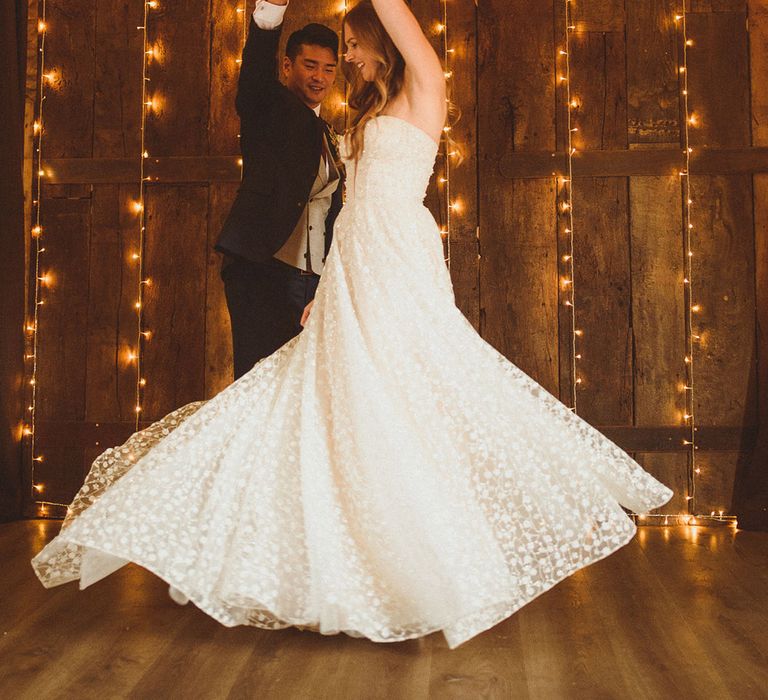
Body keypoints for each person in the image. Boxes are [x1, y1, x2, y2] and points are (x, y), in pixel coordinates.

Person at [31, 0, 672, 650]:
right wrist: (328, 291)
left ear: (379, 39)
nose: (351, 61)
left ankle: (445, 556)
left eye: (355, 47)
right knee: (337, 405)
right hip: (354, 262)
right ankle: (352, 569)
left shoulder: (427, 84)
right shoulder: (368, 111)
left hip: (396, 256)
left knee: (405, 391)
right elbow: (347, 212)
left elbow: (396, 27)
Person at [216, 0, 344, 380]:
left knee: (306, 391)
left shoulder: (330, 136)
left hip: (315, 283)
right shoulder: (267, 109)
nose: (319, 77)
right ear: (287, 67)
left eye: (328, 69)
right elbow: (255, 71)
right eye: (310, 65)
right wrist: (271, 11)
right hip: (263, 272)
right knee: (261, 387)